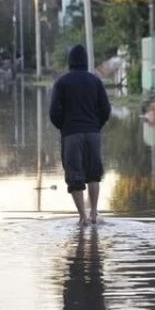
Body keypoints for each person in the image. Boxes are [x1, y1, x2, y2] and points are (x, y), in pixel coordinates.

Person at [49, 44, 111, 225]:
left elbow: (54, 113)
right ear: (85, 61)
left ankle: (82, 217)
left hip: (71, 135)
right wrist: (96, 126)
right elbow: (106, 109)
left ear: (70, 61)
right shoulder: (95, 81)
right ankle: (93, 214)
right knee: (93, 174)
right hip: (93, 134)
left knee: (74, 177)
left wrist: (65, 127)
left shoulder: (61, 83)